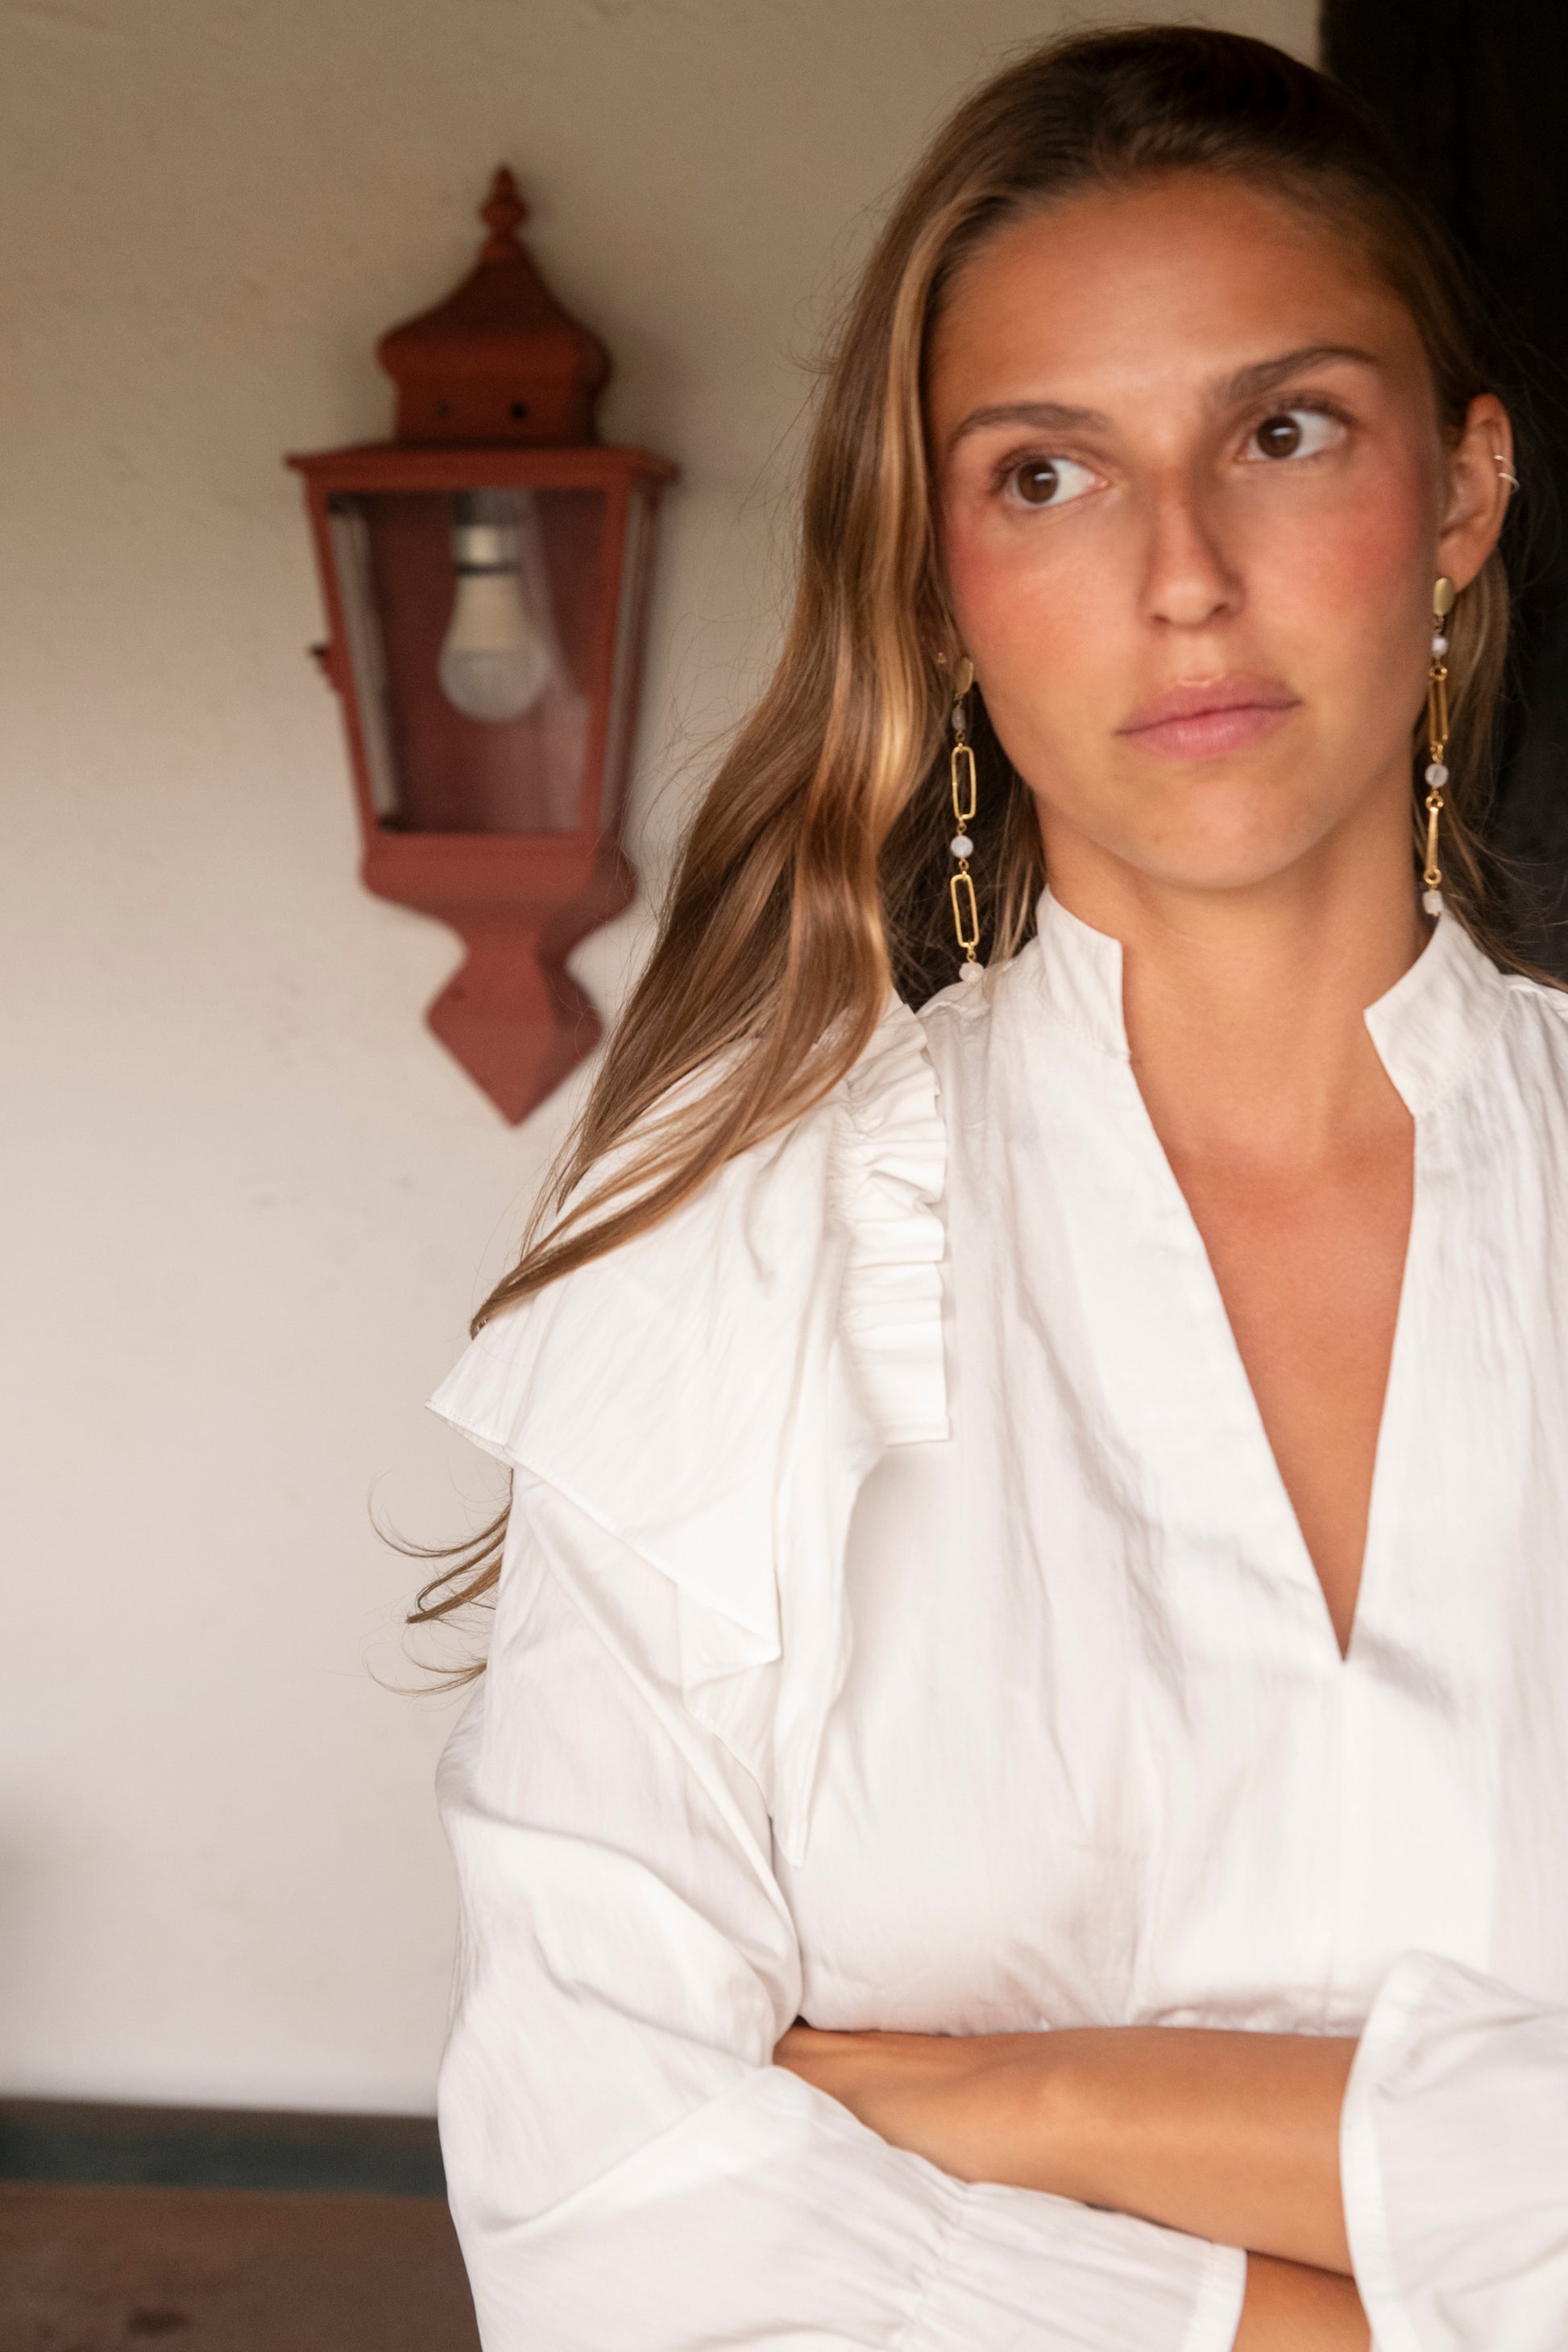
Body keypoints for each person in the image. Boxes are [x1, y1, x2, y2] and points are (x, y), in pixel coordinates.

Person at [416, 27, 1568, 2351]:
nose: (1183, 577)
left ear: (1459, 494)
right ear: (940, 583)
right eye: (1047, 474)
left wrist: (1017, 2100)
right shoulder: (735, 1235)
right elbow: (602, 2208)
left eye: (1282, 432)